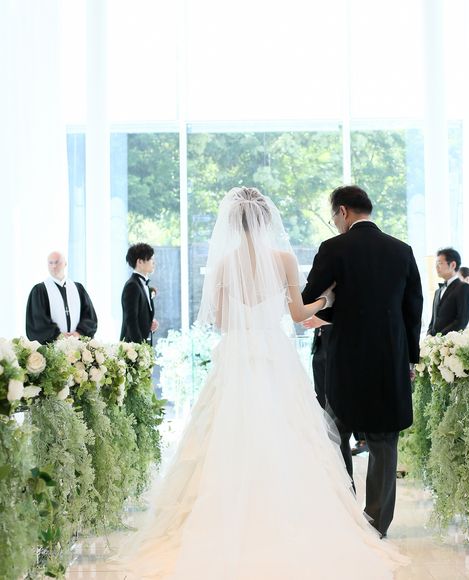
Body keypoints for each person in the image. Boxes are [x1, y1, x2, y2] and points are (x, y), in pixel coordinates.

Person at [111, 187, 407, 579]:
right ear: (268, 220)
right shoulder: (283, 259)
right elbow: (298, 313)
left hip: (236, 354)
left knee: (229, 431)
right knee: (287, 431)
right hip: (274, 352)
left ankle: (229, 514)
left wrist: (246, 322)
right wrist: (326, 301)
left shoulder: (224, 263)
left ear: (233, 223)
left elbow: (220, 320)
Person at [302, 185, 423, 539]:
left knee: (336, 433)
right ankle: (377, 523)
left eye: (334, 217)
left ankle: (346, 513)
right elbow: (412, 311)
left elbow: (309, 297)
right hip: (389, 359)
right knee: (384, 441)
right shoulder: (401, 250)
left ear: (342, 212)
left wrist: (332, 303)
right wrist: (410, 360)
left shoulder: (333, 248)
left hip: (346, 361)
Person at [304, 315, 369, 456]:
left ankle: (361, 438)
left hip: (340, 344)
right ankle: (326, 434)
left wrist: (323, 319)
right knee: (322, 397)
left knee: (340, 406)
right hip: (321, 344)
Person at [25, 251, 98, 344]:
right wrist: (58, 335)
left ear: (65, 263)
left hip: (77, 343)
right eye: (50, 263)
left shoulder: (78, 288)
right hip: (52, 346)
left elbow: (89, 315)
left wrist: (78, 333)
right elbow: (38, 320)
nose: (54, 266)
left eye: (57, 262)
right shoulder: (39, 290)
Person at [426, 247, 469, 336]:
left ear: (453, 265)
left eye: (440, 263)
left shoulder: (463, 288)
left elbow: (461, 321)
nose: (436, 267)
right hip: (434, 341)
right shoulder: (438, 291)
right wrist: (429, 335)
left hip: (449, 341)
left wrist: (439, 338)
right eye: (436, 263)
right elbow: (433, 320)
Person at [120, 243, 159, 345]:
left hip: (143, 346)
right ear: (140, 262)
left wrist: (150, 324)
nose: (153, 262)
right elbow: (131, 320)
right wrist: (140, 347)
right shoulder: (132, 286)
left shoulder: (142, 285)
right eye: (150, 259)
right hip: (133, 347)